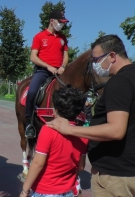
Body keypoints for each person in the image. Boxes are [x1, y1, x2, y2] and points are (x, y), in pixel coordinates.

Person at [46, 35, 135, 197]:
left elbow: (116, 130)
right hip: (46, 70)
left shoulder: (118, 82)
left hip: (116, 177)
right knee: (32, 91)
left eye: (97, 60)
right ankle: (29, 119)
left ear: (112, 56)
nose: (95, 65)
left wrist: (70, 130)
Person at [20, 85, 88, 197]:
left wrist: (25, 190)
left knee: (33, 89)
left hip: (45, 190)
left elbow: (38, 163)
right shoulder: (83, 135)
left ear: (56, 110)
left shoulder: (48, 130)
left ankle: (30, 121)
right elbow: (80, 167)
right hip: (68, 190)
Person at [25, 9, 69, 138]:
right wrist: (48, 66)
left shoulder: (63, 38)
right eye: (60, 22)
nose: (62, 25)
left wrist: (63, 66)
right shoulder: (39, 36)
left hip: (59, 72)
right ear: (52, 21)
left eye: (63, 22)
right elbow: (33, 57)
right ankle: (29, 122)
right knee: (32, 91)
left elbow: (66, 56)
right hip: (43, 71)